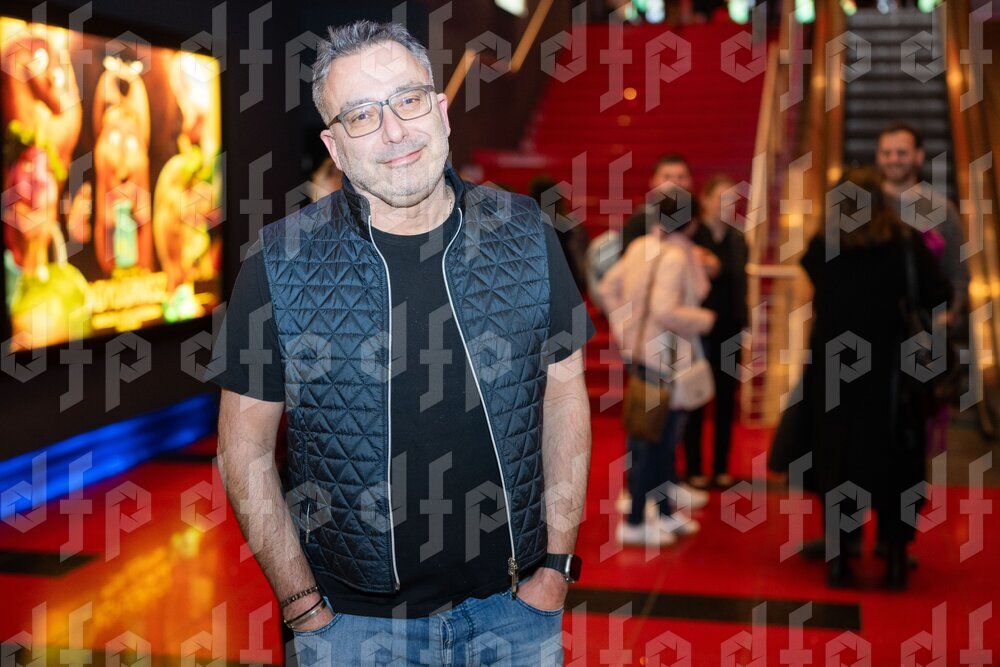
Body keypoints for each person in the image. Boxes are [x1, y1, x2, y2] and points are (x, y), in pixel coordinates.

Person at [209, 21, 594, 665]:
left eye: (408, 100)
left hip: (517, 609)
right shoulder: (278, 262)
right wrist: (304, 608)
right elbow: (242, 449)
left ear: (441, 110)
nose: (394, 132)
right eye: (361, 115)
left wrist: (555, 567)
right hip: (354, 629)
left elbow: (564, 396)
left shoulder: (526, 232)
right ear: (334, 146)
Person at [800, 166, 949, 589]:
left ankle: (840, 559)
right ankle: (895, 556)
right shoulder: (904, 243)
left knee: (838, 460)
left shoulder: (823, 247)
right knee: (897, 462)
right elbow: (939, 293)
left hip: (835, 375)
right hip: (893, 377)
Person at [599, 187, 715, 547]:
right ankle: (636, 519)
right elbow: (670, 308)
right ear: (692, 223)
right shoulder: (677, 256)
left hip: (642, 355)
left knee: (647, 438)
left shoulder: (640, 247)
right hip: (666, 359)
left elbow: (607, 287)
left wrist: (624, 330)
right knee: (658, 442)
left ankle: (662, 512)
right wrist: (703, 320)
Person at [683, 175, 748, 489]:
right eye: (721, 198)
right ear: (706, 200)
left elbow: (737, 278)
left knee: (725, 399)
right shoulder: (694, 235)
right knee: (696, 397)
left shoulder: (738, 237)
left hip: (730, 327)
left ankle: (721, 467)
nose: (727, 205)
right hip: (699, 328)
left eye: (732, 199)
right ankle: (693, 467)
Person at [620, 153, 696, 253]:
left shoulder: (698, 218)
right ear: (652, 182)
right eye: (667, 177)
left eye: (681, 177)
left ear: (691, 181)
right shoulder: (640, 220)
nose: (674, 183)